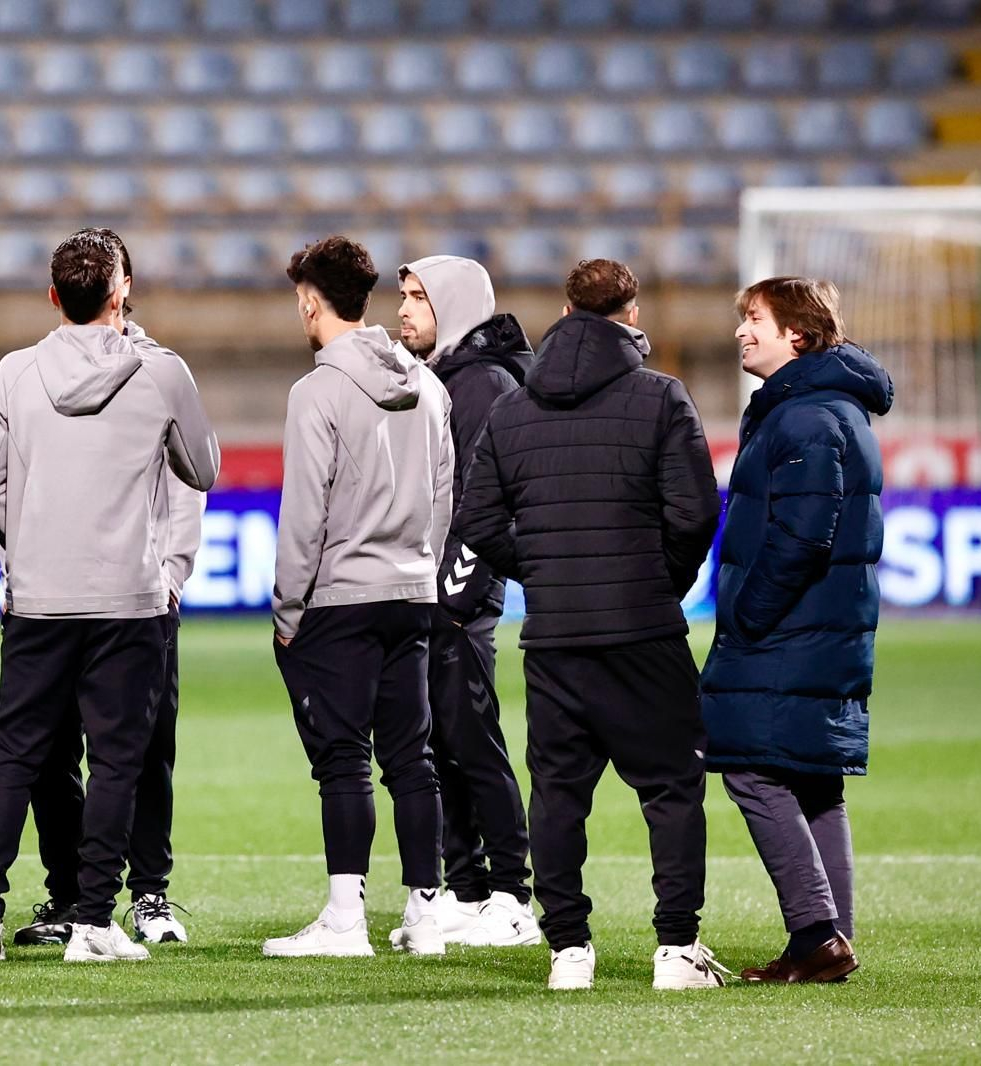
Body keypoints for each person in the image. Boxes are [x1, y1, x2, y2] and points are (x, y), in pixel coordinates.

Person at [454, 259, 725, 991]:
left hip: (555, 637)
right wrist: (659, 582)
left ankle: (568, 951)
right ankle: (676, 950)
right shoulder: (661, 396)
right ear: (631, 314)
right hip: (644, 632)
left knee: (558, 794)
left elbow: (476, 518)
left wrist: (546, 572)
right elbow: (696, 512)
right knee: (671, 789)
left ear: (568, 310)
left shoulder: (513, 408)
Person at [0, 230, 219, 964]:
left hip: (38, 598)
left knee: (13, 755)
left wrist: (34, 548)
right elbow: (201, 470)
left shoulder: (14, 371)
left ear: (54, 296)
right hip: (127, 598)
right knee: (117, 761)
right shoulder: (162, 371)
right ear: (121, 292)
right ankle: (95, 923)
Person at [263, 235, 454, 959]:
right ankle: (425, 916)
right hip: (412, 590)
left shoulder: (316, 392)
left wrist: (288, 611)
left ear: (311, 302)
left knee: (343, 759)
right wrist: (421, 570)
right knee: (413, 758)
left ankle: (346, 920)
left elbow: (304, 515)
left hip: (340, 597)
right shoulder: (428, 385)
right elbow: (444, 495)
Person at [701, 277, 892, 984]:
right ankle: (832, 939)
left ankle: (816, 934)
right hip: (820, 626)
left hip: (788, 628)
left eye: (755, 319)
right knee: (812, 779)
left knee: (750, 766)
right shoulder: (824, 408)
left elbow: (804, 535)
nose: (741, 331)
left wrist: (747, 614)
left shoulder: (807, 417)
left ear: (798, 336)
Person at [390, 254, 540, 950]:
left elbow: (486, 500)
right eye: (403, 295)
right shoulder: (443, 374)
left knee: (472, 738)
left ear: (452, 305)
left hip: (458, 590)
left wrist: (454, 594)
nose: (404, 309)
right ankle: (470, 887)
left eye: (419, 297)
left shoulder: (482, 382)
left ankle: (512, 895)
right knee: (441, 740)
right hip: (431, 587)